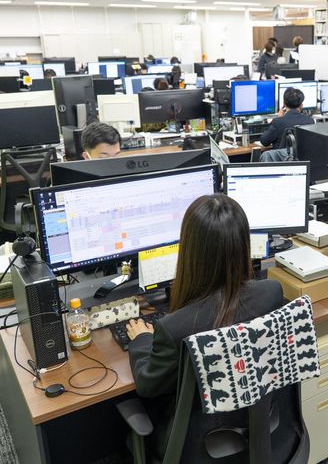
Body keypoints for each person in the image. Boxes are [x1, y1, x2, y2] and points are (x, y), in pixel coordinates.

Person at [126, 195, 300, 463]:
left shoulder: (175, 327)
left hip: (198, 449)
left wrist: (142, 339)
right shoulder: (272, 293)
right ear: (243, 245)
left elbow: (149, 385)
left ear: (189, 251)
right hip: (268, 433)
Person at [259, 87, 314, 161]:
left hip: (282, 164)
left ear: (284, 104)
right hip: (302, 164)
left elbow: (264, 141)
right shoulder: (310, 121)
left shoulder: (278, 122)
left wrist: (278, 118)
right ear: (301, 105)